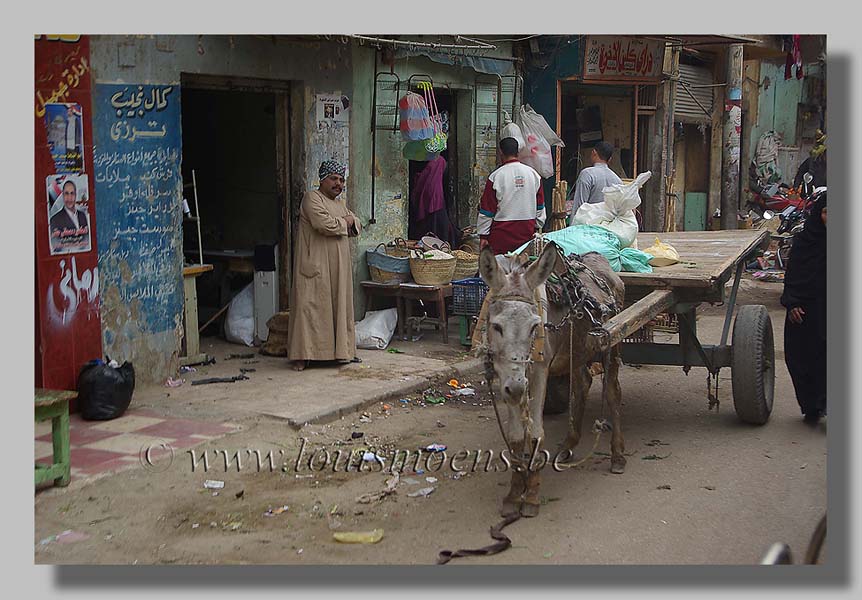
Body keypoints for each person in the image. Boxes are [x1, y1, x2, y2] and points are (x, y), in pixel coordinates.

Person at [287, 160, 362, 371]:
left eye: (341, 180)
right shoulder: (312, 198)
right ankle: (303, 356)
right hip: (315, 265)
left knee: (339, 307)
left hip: (339, 269)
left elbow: (357, 223)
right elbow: (323, 224)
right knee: (309, 308)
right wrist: (345, 222)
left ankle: (341, 353)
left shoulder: (340, 204)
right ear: (322, 180)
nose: (338, 184)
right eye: (334, 179)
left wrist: (348, 221)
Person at [780, 191, 827, 424]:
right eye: (827, 213)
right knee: (801, 357)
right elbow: (793, 276)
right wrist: (792, 303)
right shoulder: (805, 242)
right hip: (807, 310)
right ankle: (811, 406)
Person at [476, 137, 545, 255]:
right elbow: (540, 206)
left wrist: (483, 235)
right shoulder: (533, 174)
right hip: (526, 232)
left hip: (501, 235)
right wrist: (538, 226)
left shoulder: (496, 176)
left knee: (500, 269)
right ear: (517, 152)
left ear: (500, 152)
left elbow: (487, 210)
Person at [568, 140, 623, 219]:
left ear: (593, 153)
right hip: (608, 227)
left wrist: (573, 227)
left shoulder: (587, 174)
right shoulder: (617, 180)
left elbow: (579, 206)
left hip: (588, 226)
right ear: (610, 159)